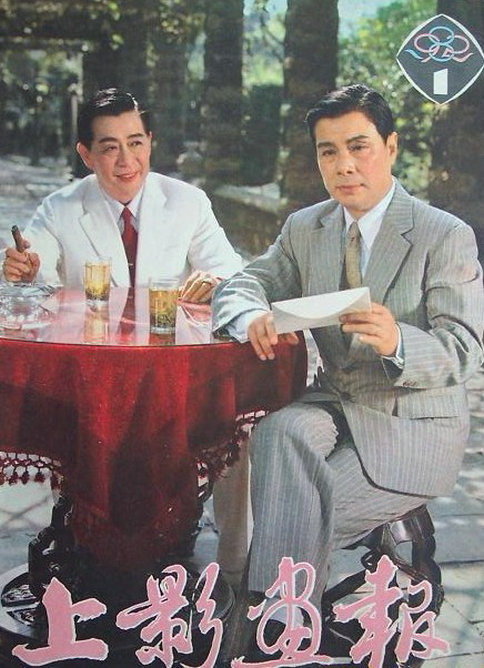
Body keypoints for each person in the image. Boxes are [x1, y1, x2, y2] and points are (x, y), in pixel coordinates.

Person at [212, 84, 483, 655]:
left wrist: (398, 340)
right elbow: (244, 281)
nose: (344, 165)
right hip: (336, 402)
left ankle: (262, 641)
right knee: (279, 429)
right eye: (328, 151)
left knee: (288, 517)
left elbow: (464, 348)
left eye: (358, 147)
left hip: (415, 423)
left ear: (391, 147)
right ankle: (281, 635)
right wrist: (251, 314)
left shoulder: (443, 234)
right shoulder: (306, 227)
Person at [2, 88, 242, 301]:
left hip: (167, 335)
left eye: (135, 143)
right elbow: (33, 267)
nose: (126, 161)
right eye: (110, 148)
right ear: (86, 155)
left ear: (149, 142)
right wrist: (22, 270)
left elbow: (229, 271)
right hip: (90, 336)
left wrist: (214, 281)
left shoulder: (189, 202)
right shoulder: (58, 208)